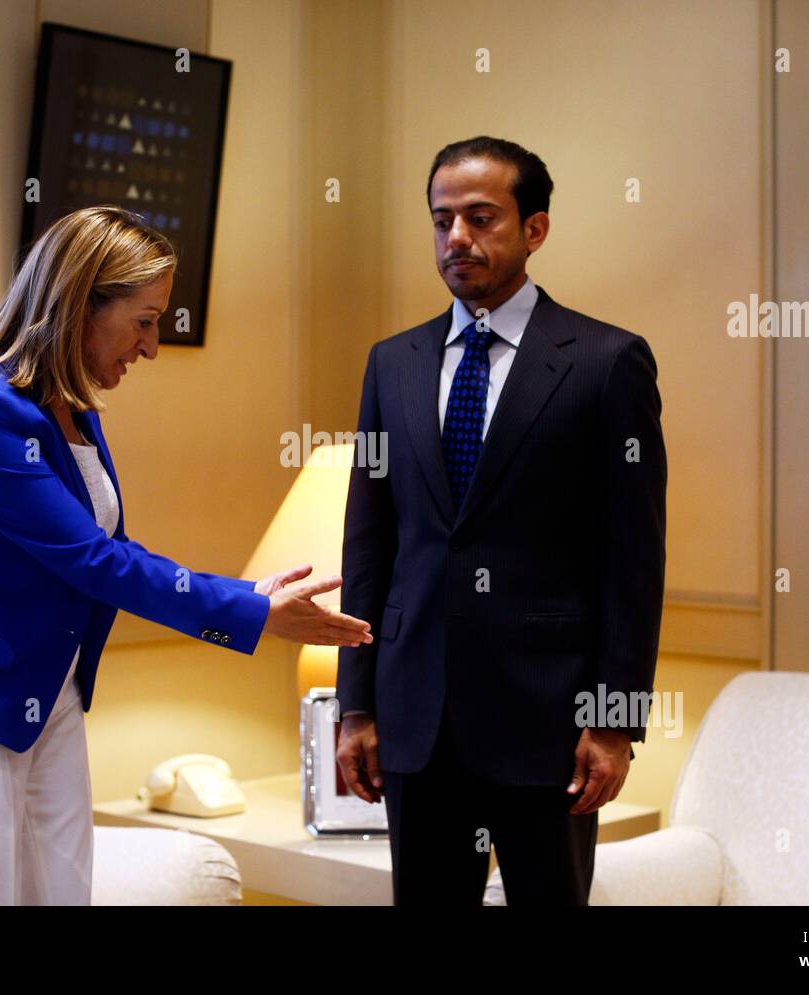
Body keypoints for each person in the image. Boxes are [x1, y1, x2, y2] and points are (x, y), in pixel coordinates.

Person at [0, 205, 372, 905]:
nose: (152, 346)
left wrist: (248, 598)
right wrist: (253, 617)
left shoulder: (70, 410)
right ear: (81, 304)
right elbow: (90, 560)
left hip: (53, 693)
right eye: (144, 319)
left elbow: (108, 549)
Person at [334, 136, 666, 905]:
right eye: (442, 219)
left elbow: (634, 558)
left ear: (535, 229)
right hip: (416, 723)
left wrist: (615, 721)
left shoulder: (607, 362)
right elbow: (368, 541)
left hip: (548, 727)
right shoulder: (393, 362)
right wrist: (357, 704)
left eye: (481, 218)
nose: (458, 239)